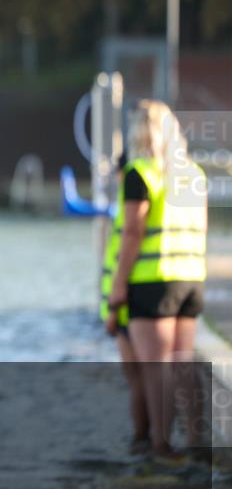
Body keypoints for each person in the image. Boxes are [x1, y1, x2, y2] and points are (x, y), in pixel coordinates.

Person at [106, 100, 207, 458]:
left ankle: (161, 445)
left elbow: (133, 232)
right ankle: (197, 441)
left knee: (156, 368)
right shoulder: (193, 174)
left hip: (152, 280)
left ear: (138, 133)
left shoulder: (141, 173)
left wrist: (118, 287)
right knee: (183, 363)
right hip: (191, 279)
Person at [101, 151, 150, 454]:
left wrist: (113, 308)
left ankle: (143, 440)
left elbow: (122, 259)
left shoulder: (128, 212)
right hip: (142, 301)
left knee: (137, 379)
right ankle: (150, 440)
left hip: (128, 306)